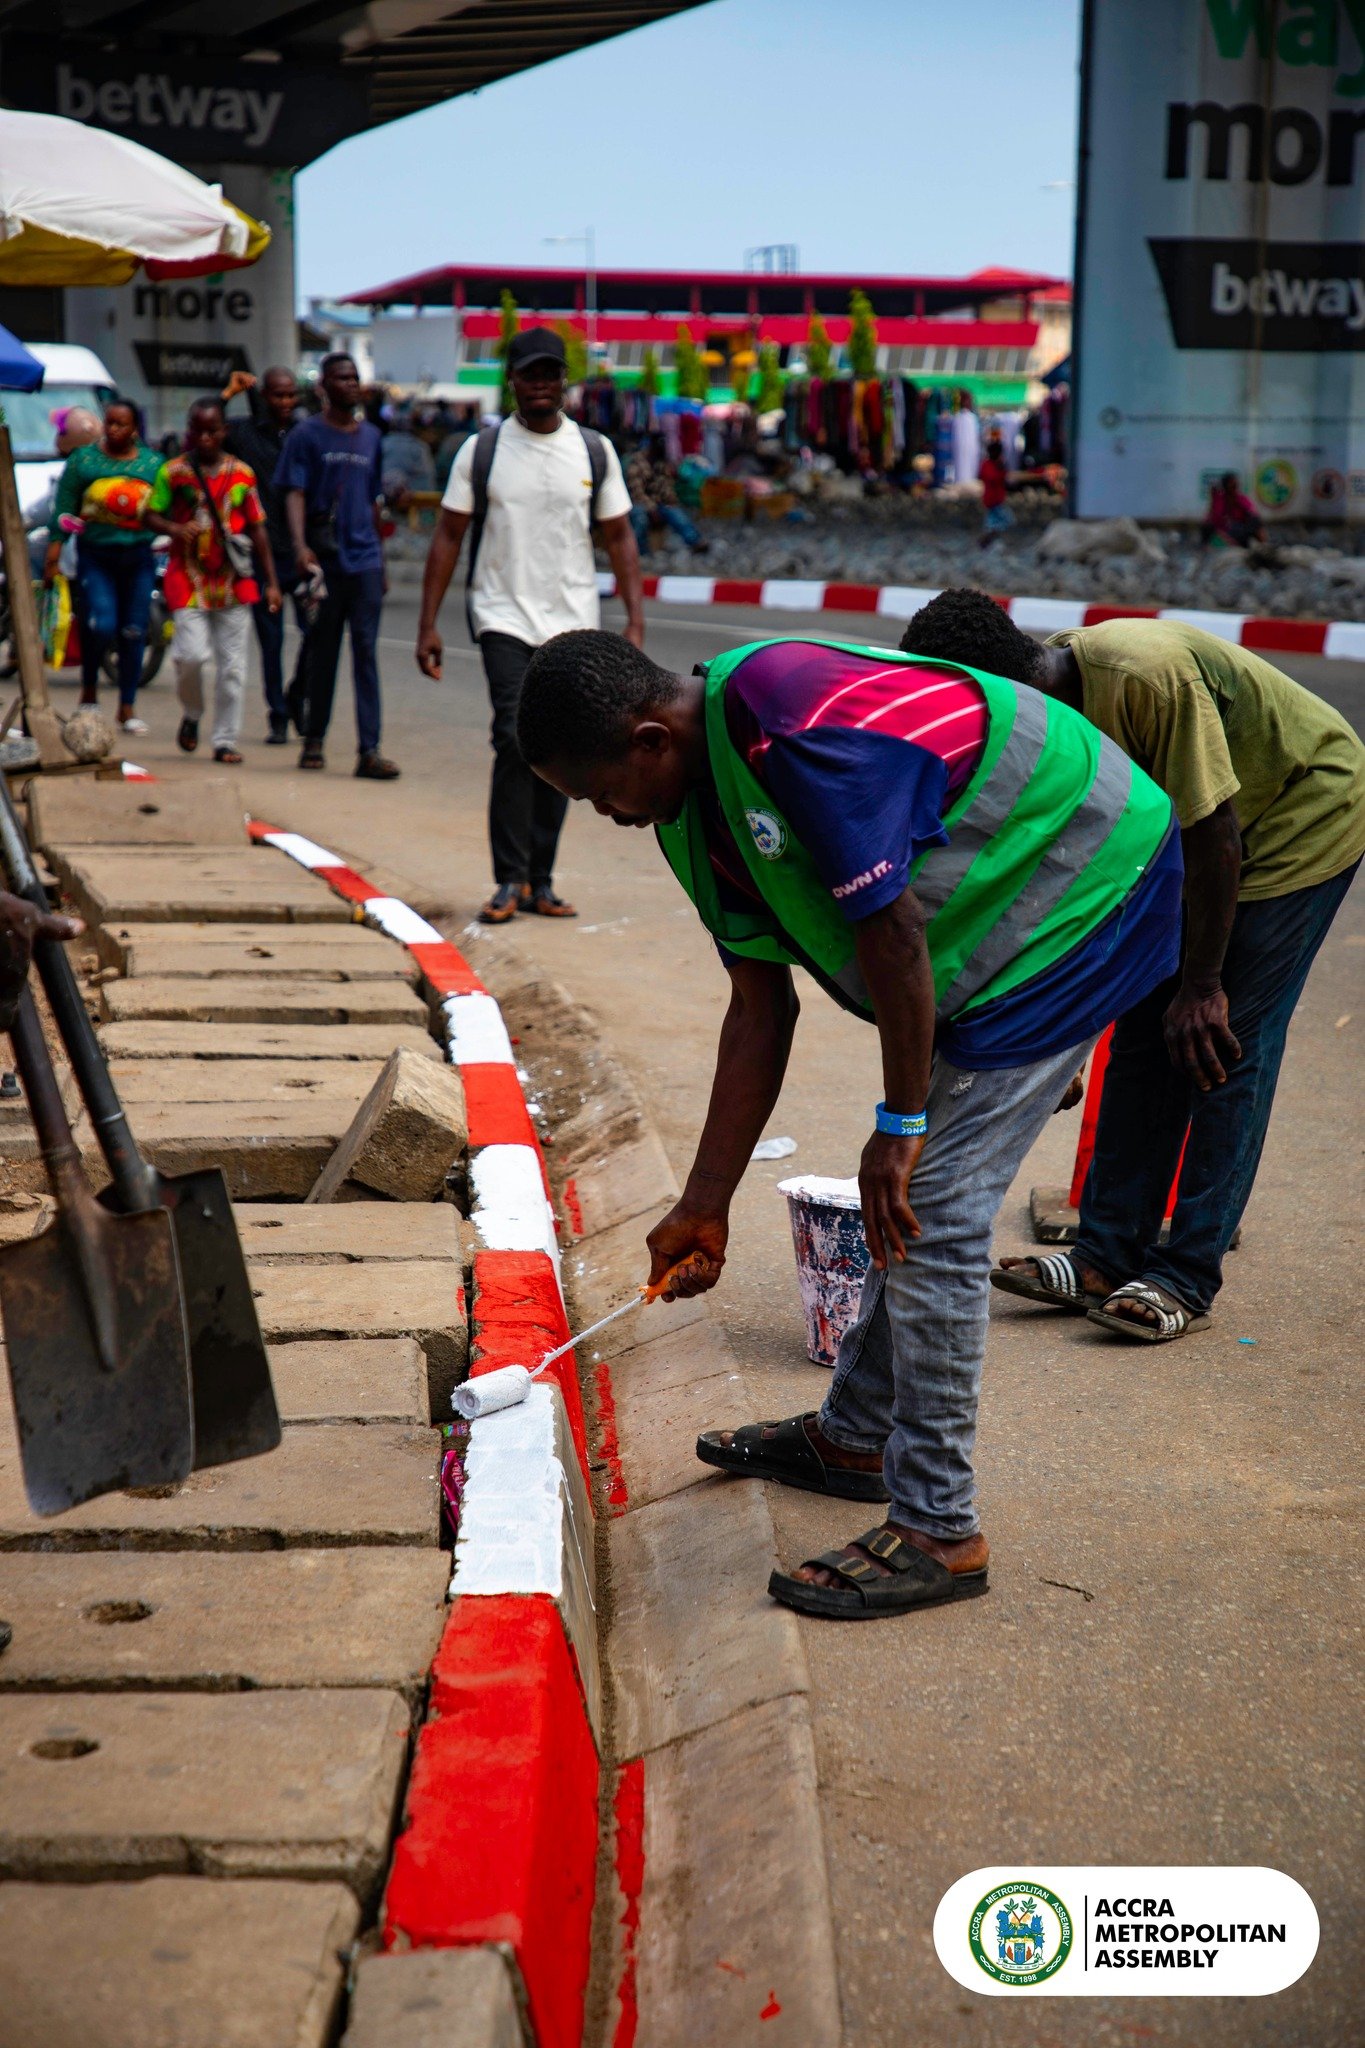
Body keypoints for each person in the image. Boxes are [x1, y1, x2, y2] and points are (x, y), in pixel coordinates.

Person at [514, 629, 1183, 1622]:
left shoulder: (790, 723)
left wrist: (900, 1122)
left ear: (649, 740)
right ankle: (859, 1432)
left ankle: (939, 1529)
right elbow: (759, 1007)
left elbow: (893, 929)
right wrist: (702, 1205)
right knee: (915, 1200)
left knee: (940, 1211)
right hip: (985, 933)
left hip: (1085, 892)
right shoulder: (690, 816)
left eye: (596, 791)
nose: (604, 816)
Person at [898, 588, 1365, 1341]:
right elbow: (1064, 876)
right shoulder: (1043, 722)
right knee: (1147, 1027)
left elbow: (1216, 836)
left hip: (1298, 817)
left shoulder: (1144, 678)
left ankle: (1185, 1272)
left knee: (1222, 1044)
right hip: (1198, 848)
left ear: (991, 688)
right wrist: (1050, 1025)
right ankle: (1105, 1255)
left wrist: (1204, 984)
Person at [415, 327, 643, 923]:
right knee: (515, 740)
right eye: (528, 373)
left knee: (565, 744)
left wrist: (635, 620)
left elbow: (618, 536)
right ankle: (508, 880)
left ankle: (541, 881)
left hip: (573, 619)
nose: (540, 383)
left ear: (563, 380)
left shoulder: (594, 451)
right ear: (511, 380)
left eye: (550, 373)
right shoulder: (481, 451)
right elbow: (448, 535)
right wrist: (428, 624)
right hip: (502, 615)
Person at [278, 353, 399, 779]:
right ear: (323, 387)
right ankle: (314, 740)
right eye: (342, 378)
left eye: (355, 377)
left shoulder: (371, 438)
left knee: (365, 652)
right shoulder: (305, 435)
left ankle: (370, 749)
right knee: (324, 651)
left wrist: (381, 562)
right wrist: (299, 547)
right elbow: (293, 492)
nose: (351, 384)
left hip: (364, 559)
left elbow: (372, 502)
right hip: (324, 560)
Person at [144, 397, 280, 766]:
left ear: (224, 431)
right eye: (197, 431)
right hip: (187, 579)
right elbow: (150, 514)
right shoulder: (173, 472)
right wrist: (174, 528)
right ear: (189, 431)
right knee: (190, 657)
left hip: (234, 581)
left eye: (211, 431)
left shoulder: (242, 474)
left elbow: (257, 527)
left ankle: (224, 740)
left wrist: (271, 582)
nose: (203, 438)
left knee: (233, 669)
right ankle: (192, 713)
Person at [42, 397, 162, 735]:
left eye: (121, 423)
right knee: (101, 623)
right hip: (96, 556)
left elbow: (169, 505)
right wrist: (53, 557)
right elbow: (63, 511)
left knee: (135, 629)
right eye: (109, 422)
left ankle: (127, 706)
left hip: (139, 557)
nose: (113, 429)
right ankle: (90, 690)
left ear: (135, 428)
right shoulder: (84, 461)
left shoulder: (153, 464)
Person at [222, 366, 304, 744]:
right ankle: (278, 714)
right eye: (278, 395)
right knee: (271, 642)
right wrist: (228, 394)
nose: (285, 403)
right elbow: (203, 430)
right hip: (260, 556)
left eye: (291, 395)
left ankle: (298, 695)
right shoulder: (243, 433)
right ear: (266, 396)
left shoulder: (304, 434)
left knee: (315, 634)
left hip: (302, 552)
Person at [625, 433, 708, 556]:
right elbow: (636, 492)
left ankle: (695, 542)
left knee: (676, 513)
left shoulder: (661, 462)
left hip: (657, 502)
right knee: (640, 517)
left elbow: (666, 487)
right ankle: (640, 550)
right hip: (637, 503)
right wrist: (651, 507)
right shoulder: (637, 463)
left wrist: (670, 502)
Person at [1202, 472, 1264, 548]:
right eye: (1231, 483)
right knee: (1207, 527)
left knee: (1255, 521)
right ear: (1225, 485)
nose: (1234, 485)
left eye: (1235, 483)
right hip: (1222, 531)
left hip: (1238, 530)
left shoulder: (1241, 499)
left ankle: (1264, 546)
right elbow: (1212, 518)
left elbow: (1253, 513)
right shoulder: (1219, 499)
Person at [978, 430, 1012, 546]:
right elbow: (993, 478)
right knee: (1003, 521)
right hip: (993, 500)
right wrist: (1001, 471)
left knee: (994, 521)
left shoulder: (990, 465)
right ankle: (987, 539)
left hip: (995, 499)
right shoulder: (989, 465)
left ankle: (990, 539)